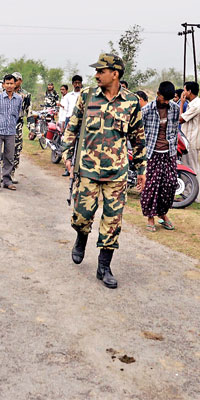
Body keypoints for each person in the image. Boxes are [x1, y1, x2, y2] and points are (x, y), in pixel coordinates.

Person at [63, 53, 146, 289]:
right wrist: (67, 156)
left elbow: (138, 139)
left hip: (117, 174)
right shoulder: (87, 96)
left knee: (112, 221)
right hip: (88, 170)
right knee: (82, 216)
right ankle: (81, 238)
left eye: (101, 71)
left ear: (115, 74)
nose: (96, 74)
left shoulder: (131, 102)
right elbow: (72, 128)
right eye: (96, 71)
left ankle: (104, 266)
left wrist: (141, 168)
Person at [140, 81, 179, 231]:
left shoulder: (174, 109)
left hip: (169, 153)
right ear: (158, 94)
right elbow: (139, 132)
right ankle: (150, 217)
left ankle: (163, 214)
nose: (166, 102)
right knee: (151, 186)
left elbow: (175, 129)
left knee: (169, 185)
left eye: (169, 99)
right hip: (151, 153)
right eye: (164, 99)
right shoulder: (147, 110)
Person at [0, 74, 22, 192]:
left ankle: (7, 181)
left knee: (9, 157)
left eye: (11, 83)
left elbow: (18, 114)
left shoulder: (18, 99)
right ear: (3, 85)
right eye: (7, 83)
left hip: (11, 132)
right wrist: (0, 122)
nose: (9, 86)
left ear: (15, 85)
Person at [11, 71, 35, 183]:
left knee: (16, 149)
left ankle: (11, 173)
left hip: (18, 124)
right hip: (5, 124)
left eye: (17, 80)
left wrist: (32, 129)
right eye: (13, 79)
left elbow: (29, 113)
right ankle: (2, 172)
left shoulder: (25, 95)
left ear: (21, 81)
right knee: (4, 148)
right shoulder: (5, 92)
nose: (14, 82)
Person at [179, 81, 200, 202]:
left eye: (185, 90)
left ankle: (194, 196)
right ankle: (188, 193)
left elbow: (181, 119)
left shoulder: (196, 105)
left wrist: (181, 103)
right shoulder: (192, 103)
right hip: (188, 140)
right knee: (188, 166)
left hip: (192, 140)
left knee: (192, 168)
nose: (183, 92)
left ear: (190, 91)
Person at [61, 75, 83, 177]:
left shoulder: (85, 95)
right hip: (69, 120)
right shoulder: (68, 96)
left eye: (79, 83)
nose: (77, 85)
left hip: (82, 121)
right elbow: (64, 110)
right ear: (73, 84)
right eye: (75, 83)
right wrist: (62, 124)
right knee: (69, 144)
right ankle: (67, 167)